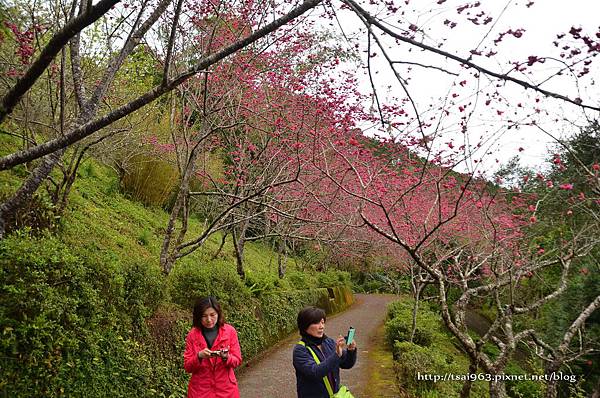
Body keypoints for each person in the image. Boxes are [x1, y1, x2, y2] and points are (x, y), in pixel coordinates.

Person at [183, 296, 242, 398]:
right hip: (200, 391)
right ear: (198, 316)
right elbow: (188, 366)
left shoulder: (229, 332)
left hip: (226, 390)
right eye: (204, 316)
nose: (209, 320)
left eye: (212, 315)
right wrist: (199, 356)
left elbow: (237, 360)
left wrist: (226, 357)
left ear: (218, 314)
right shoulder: (192, 335)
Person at [293, 306, 357, 398]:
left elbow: (347, 364)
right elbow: (315, 372)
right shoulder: (300, 350)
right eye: (316, 323)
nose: (321, 326)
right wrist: (336, 355)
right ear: (305, 325)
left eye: (322, 322)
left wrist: (351, 350)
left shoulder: (329, 342)